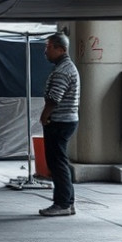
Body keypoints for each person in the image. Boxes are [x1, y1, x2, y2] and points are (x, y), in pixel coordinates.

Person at [38, 32, 80, 217]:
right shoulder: (65, 67)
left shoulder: (63, 70)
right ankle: (66, 202)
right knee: (58, 162)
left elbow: (54, 98)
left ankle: (62, 204)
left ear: (60, 49)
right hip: (65, 120)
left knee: (57, 163)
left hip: (60, 121)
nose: (45, 51)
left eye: (48, 47)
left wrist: (44, 116)